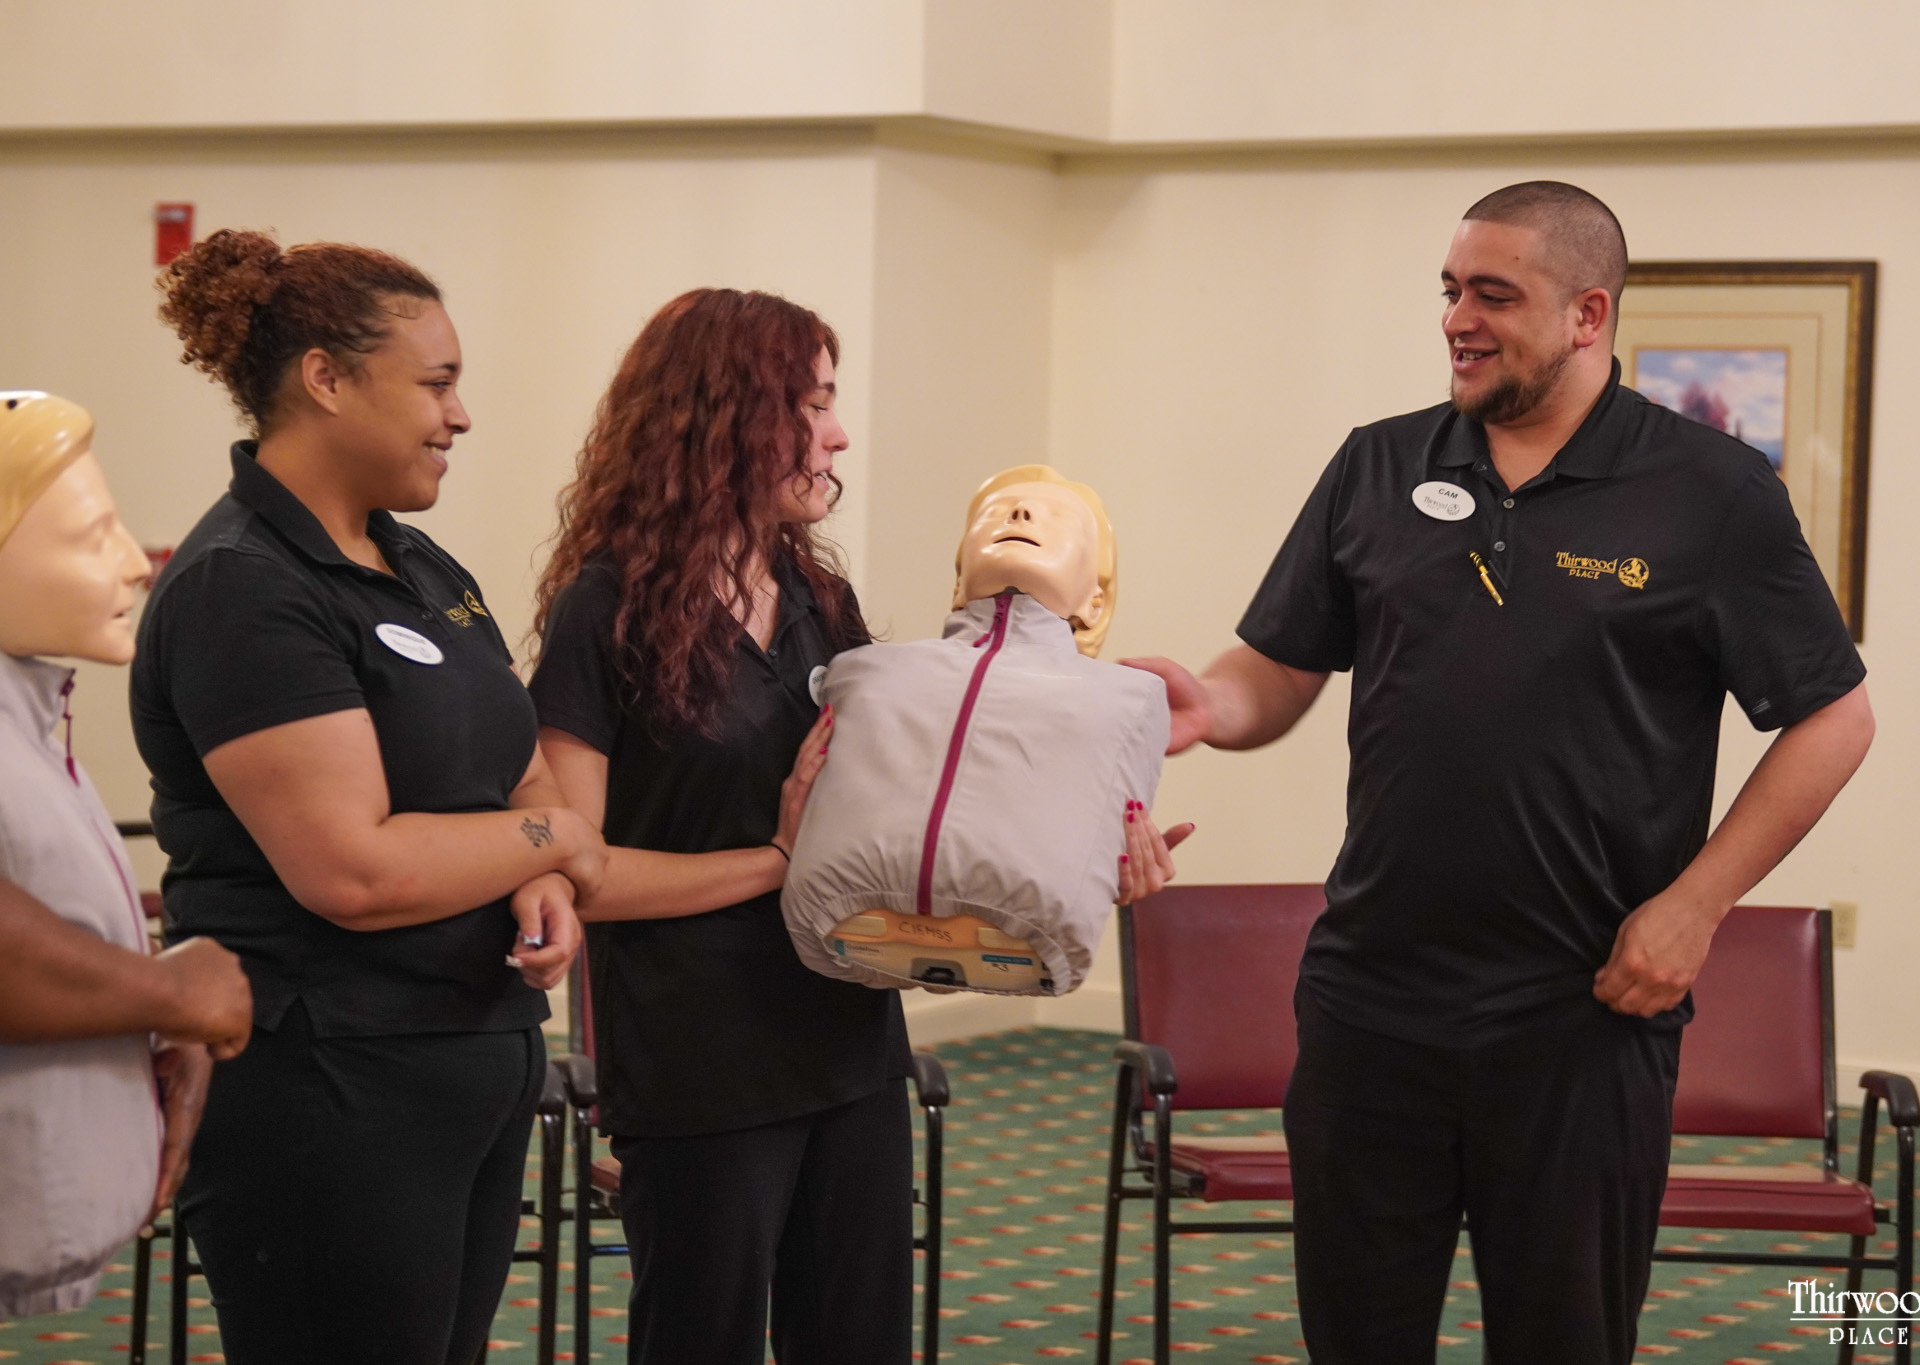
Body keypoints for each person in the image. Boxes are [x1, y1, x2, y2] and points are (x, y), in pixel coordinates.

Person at [1123, 181, 1875, 1363]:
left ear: (1586, 315)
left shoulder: (1711, 495)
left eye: (1491, 294)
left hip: (1582, 1010)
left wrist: (1694, 907)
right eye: (1447, 290)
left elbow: (1832, 717)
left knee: (1562, 1341)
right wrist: (1211, 705)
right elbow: (1279, 664)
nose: (1455, 319)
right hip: (1370, 1002)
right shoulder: (1376, 467)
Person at [530, 293, 1185, 1363]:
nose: (837, 435)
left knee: (857, 1342)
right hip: (698, 1058)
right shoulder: (604, 610)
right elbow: (578, 867)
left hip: (847, 1042)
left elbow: (906, 808)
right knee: (701, 1342)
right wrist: (774, 862)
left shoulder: (813, 596)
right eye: (814, 403)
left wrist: (1069, 857)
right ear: (724, 415)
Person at [132, 230, 601, 1365]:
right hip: (328, 1080)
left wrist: (543, 871)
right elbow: (355, 870)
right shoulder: (245, 584)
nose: (461, 414)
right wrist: (560, 837)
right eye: (436, 383)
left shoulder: (420, 564)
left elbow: (516, 768)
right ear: (327, 380)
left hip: (468, 1054)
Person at [0, 390, 251, 1320]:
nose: (130, 563)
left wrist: (143, 1004)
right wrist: (171, 992)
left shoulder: (27, 723)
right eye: (87, 533)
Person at [783, 464, 1187, 996]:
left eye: (1057, 518)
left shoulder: (1126, 700)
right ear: (957, 583)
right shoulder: (865, 673)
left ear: (1095, 600)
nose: (1020, 515)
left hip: (1035, 937)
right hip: (821, 923)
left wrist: (1093, 869)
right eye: (998, 512)